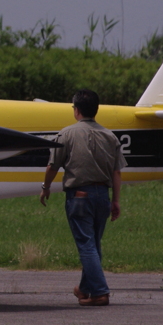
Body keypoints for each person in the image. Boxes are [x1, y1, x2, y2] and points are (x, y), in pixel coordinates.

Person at [39, 89, 126, 307]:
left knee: (86, 245)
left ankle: (99, 293)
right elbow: (117, 172)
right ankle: (85, 289)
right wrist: (115, 200)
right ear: (96, 110)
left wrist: (46, 187)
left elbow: (53, 166)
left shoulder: (66, 134)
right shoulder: (110, 136)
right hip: (102, 196)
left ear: (76, 110)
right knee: (94, 244)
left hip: (79, 195)